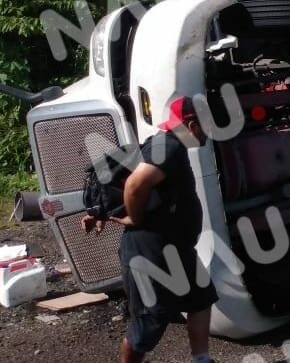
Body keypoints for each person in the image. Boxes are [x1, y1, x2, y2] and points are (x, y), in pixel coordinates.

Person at [82, 96, 218, 363]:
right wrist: (135, 219)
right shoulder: (169, 147)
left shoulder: (167, 145)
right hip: (151, 252)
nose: (210, 131)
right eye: (206, 125)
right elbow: (135, 185)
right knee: (150, 319)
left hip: (175, 247)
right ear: (191, 125)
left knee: (200, 298)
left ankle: (201, 360)